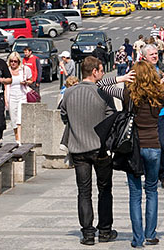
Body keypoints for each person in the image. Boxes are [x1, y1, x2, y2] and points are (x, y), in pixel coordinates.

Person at [98, 61, 164, 248]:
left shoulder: (128, 94)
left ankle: (138, 239)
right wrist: (161, 82)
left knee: (135, 194)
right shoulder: (159, 94)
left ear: (133, 76)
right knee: (152, 191)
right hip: (154, 146)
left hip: (134, 148)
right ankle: (151, 234)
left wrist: (121, 78)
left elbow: (101, 85)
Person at [59, 56, 118, 246]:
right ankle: (105, 230)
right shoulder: (102, 93)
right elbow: (112, 119)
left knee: (84, 191)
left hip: (78, 148)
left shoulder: (68, 93)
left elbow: (64, 116)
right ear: (94, 72)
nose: (102, 74)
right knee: (104, 190)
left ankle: (88, 233)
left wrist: (78, 127)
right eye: (101, 70)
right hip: (100, 149)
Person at [138, 44, 164, 190]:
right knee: (145, 146)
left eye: (156, 53)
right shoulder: (139, 72)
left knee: (163, 144)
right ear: (144, 57)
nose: (155, 56)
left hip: (159, 114)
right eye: (152, 54)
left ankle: (163, 173)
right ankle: (148, 173)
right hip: (143, 114)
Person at [5, 51, 33, 142]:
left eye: (15, 61)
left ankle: (20, 140)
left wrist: (26, 82)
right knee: (13, 120)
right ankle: (17, 138)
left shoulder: (24, 69)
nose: (13, 63)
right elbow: (5, 86)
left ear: (18, 62)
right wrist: (6, 99)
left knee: (20, 119)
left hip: (22, 95)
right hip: (11, 96)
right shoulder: (7, 70)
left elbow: (31, 80)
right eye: (11, 61)